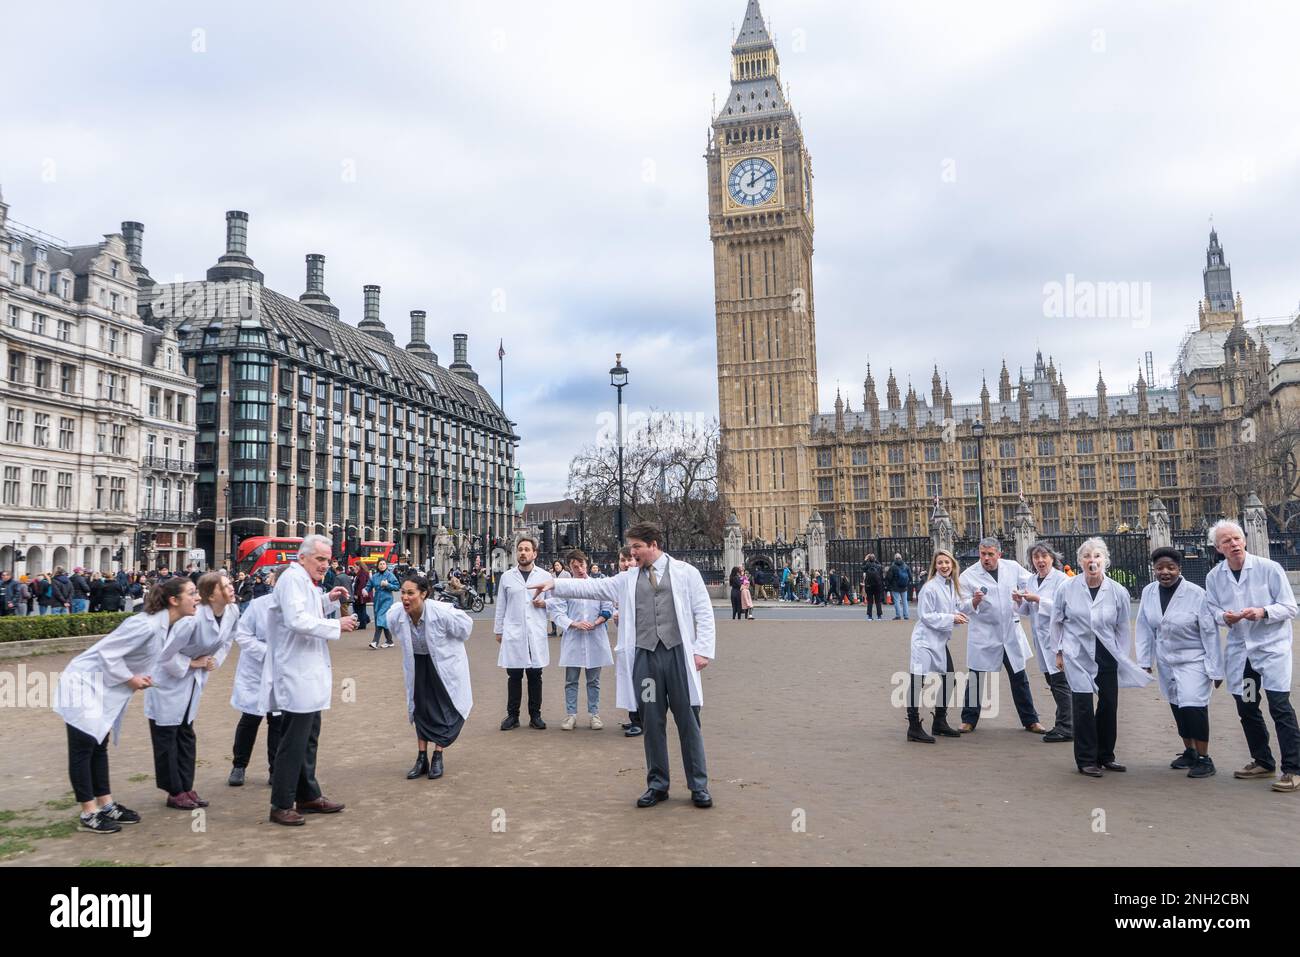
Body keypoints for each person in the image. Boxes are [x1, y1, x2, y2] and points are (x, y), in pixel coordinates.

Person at [532, 522, 715, 809]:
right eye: (631, 548)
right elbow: (593, 588)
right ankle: (657, 784)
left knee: (688, 720)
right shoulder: (627, 579)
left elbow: (703, 610)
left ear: (653, 545)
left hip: (679, 656)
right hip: (646, 658)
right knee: (652, 722)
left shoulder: (685, 573)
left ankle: (698, 785)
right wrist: (555, 584)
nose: (632, 554)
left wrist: (703, 650)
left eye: (637, 547)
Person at [53, 576, 199, 833]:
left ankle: (105, 803)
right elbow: (108, 653)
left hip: (102, 687)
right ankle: (88, 813)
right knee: (84, 747)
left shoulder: (164, 626)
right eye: (192, 593)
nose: (197, 598)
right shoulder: (146, 625)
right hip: (83, 683)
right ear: (174, 600)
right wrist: (130, 678)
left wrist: (137, 676)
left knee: (99, 745)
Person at [260, 534, 358, 826]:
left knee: (308, 736)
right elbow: (296, 620)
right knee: (294, 740)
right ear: (302, 557)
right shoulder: (291, 579)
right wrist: (336, 623)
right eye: (320, 559)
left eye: (328, 560)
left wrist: (328, 599)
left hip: (308, 670)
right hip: (296, 670)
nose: (325, 565)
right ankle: (280, 803)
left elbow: (308, 609)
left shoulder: (303, 581)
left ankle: (307, 794)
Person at [1205, 520, 1300, 792]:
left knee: (1279, 706)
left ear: (1244, 540)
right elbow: (1211, 609)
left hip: (1271, 651)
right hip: (1243, 656)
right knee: (1247, 705)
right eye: (1226, 541)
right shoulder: (1215, 577)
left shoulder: (1269, 569)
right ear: (1218, 548)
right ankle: (1263, 760)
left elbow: (1289, 607)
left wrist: (1263, 612)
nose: (1233, 544)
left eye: (1236, 538)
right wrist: (1225, 617)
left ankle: (1293, 768)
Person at [1050, 537, 1153, 777]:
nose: (1092, 561)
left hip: (1106, 653)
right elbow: (1056, 622)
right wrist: (1058, 651)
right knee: (1083, 706)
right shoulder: (1066, 588)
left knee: (1108, 705)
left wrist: (1122, 656)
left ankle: (1106, 755)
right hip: (1077, 653)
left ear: (1105, 561)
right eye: (1087, 557)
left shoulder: (1118, 591)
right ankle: (1086, 759)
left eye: (1097, 556)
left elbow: (1123, 627)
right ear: (1080, 562)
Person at [145, 571, 239, 810]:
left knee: (186, 732)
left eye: (230, 584)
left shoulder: (232, 612)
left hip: (193, 680)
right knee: (167, 735)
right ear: (210, 594)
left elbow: (228, 640)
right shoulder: (191, 620)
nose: (231, 589)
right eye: (225, 586)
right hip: (168, 679)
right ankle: (174, 790)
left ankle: (187, 786)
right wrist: (192, 663)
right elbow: (164, 654)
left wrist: (215, 660)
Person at [1135, 546, 1223, 779]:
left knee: (1193, 705)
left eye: (1170, 567)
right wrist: (1145, 661)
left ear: (1179, 569)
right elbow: (1144, 627)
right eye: (1160, 568)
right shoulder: (1149, 592)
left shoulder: (1196, 594)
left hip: (1193, 658)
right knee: (1176, 704)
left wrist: (1216, 669)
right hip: (1166, 659)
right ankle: (1190, 751)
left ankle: (1205, 758)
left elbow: (1210, 632)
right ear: (1153, 570)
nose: (1165, 572)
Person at [957, 538, 1047, 735]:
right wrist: (974, 601)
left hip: (1010, 631)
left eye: (990, 554)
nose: (986, 558)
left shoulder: (1012, 567)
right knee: (975, 677)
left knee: (1019, 678)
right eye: (983, 554)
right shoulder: (968, 576)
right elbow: (960, 606)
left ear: (1000, 554)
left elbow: (1031, 584)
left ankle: (1031, 720)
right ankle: (968, 719)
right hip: (984, 633)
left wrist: (1024, 595)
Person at [388, 574, 473, 780]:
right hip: (418, 665)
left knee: (443, 709)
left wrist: (449, 644)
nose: (405, 598)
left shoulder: (442, 613)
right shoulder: (396, 614)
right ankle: (421, 758)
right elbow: (393, 628)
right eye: (403, 593)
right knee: (420, 709)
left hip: (442, 666)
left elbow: (466, 628)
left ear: (423, 594)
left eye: (411, 593)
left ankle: (438, 755)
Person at [547, 549, 614, 730]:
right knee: (571, 680)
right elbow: (558, 613)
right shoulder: (566, 588)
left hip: (595, 636)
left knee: (594, 681)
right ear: (570, 568)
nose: (580, 569)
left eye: (582, 565)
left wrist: (597, 621)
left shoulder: (598, 585)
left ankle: (594, 714)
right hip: (574, 637)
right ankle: (571, 715)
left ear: (587, 563)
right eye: (575, 567)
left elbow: (607, 607)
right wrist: (574, 624)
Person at [906, 549, 968, 743]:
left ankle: (939, 722)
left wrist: (963, 612)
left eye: (947, 563)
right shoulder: (930, 587)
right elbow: (925, 615)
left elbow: (956, 608)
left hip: (939, 641)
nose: (944, 566)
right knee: (918, 682)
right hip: (924, 641)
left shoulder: (951, 586)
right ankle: (913, 727)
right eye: (940, 563)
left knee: (950, 680)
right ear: (935, 566)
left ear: (953, 565)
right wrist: (951, 618)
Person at [1014, 541, 1073, 743]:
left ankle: (1067, 726)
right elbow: (1025, 611)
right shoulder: (1031, 580)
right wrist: (1019, 600)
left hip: (1059, 639)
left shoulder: (1062, 580)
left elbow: (1065, 609)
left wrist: (1038, 599)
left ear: (1052, 558)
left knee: (1061, 683)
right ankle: (1064, 722)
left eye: (1043, 556)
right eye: (1036, 557)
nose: (1040, 561)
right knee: (1053, 682)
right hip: (1041, 639)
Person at [227, 570, 282, 787]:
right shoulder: (259, 605)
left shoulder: (298, 606)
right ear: (274, 582)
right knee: (250, 719)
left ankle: (275, 769)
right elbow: (241, 634)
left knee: (277, 721)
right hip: (256, 670)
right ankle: (239, 765)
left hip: (280, 673)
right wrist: (266, 652)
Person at [494, 535, 554, 729]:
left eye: (527, 549)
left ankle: (535, 715)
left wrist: (544, 603)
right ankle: (513, 716)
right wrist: (499, 630)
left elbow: (556, 602)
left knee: (536, 675)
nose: (523, 552)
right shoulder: (507, 577)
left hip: (534, 632)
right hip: (514, 632)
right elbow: (501, 605)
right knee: (514, 675)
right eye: (520, 549)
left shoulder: (545, 576)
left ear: (534, 553)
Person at [610, 546, 642, 737]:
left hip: (640, 641)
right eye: (623, 560)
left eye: (629, 559)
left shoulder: (641, 581)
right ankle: (633, 717)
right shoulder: (619, 582)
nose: (626, 563)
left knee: (640, 681)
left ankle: (642, 720)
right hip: (625, 639)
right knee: (627, 679)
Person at [368, 559, 399, 650]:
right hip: (377, 600)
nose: (382, 565)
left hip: (387, 600)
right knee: (382, 620)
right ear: (378, 566)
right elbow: (369, 585)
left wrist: (387, 584)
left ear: (386, 565)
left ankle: (375, 641)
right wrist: (365, 590)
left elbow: (397, 587)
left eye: (383, 564)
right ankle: (389, 641)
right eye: (380, 564)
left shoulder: (390, 575)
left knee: (380, 618)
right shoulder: (375, 576)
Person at [885, 555, 912, 620]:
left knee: (897, 601)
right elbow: (910, 576)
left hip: (895, 587)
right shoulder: (906, 566)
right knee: (904, 601)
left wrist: (889, 585)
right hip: (904, 586)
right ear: (901, 558)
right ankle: (906, 615)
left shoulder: (893, 567)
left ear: (895, 559)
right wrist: (907, 583)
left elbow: (889, 577)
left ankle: (898, 615)